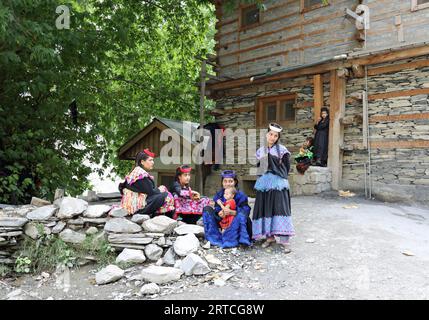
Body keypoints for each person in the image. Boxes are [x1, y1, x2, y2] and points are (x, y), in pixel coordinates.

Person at [252, 123, 295, 253]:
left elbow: (286, 167)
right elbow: (260, 168)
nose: (273, 137)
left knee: (281, 208)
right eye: (271, 134)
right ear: (266, 135)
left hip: (278, 182)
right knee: (266, 208)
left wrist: (279, 177)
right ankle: (269, 237)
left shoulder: (282, 150)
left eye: (275, 136)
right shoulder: (261, 151)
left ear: (278, 137)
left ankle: (285, 240)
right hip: (264, 183)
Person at [118, 149, 175, 217]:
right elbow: (151, 193)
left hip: (135, 205)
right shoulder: (140, 174)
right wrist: (160, 189)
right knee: (167, 195)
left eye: (152, 160)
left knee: (163, 193)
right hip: (137, 208)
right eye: (150, 160)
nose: (153, 162)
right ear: (142, 162)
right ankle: (165, 218)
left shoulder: (137, 172)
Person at [202, 170, 251, 248]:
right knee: (207, 209)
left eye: (230, 181)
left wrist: (232, 212)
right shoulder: (220, 194)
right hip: (223, 221)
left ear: (235, 182)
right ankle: (214, 238)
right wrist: (220, 212)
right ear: (222, 182)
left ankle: (239, 239)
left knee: (243, 217)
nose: (227, 184)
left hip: (235, 221)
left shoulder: (241, 195)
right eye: (225, 181)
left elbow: (246, 211)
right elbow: (217, 208)